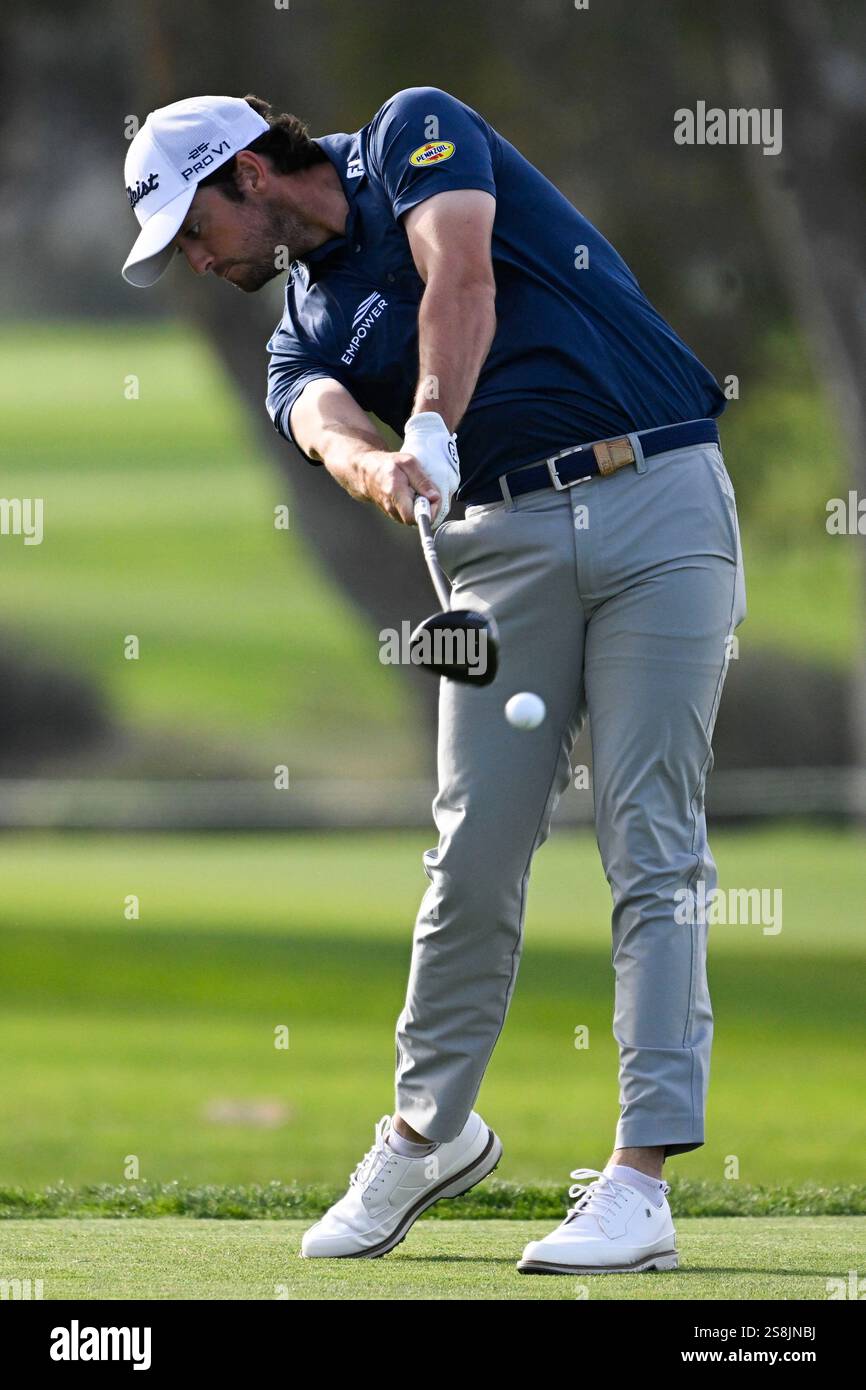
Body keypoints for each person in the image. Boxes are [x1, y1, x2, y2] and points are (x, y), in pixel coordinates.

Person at [121, 86, 746, 1275]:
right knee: (469, 846)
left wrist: (433, 415)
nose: (195, 260)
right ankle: (427, 1132)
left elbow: (459, 271)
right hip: (494, 553)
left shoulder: (414, 132)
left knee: (650, 837)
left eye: (193, 228)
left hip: (657, 491)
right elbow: (328, 432)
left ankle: (638, 1181)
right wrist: (385, 467)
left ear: (247, 172)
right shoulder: (295, 333)